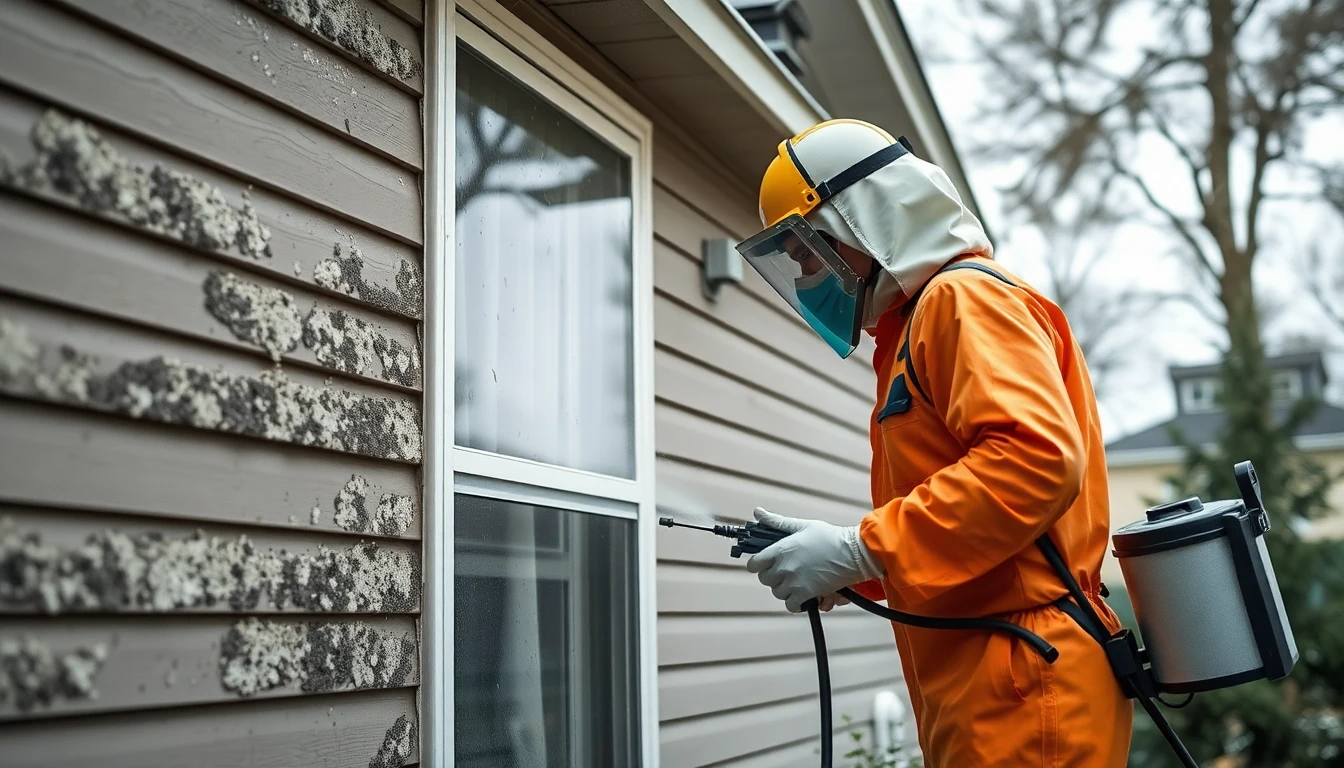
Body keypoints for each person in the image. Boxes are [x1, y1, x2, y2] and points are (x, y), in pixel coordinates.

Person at [734, 119, 1133, 767]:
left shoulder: (961, 299)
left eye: (807, 251)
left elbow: (1032, 463)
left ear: (859, 223)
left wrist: (860, 549)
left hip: (1025, 676)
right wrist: (857, 570)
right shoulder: (921, 320)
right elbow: (986, 534)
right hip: (1002, 674)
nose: (806, 274)